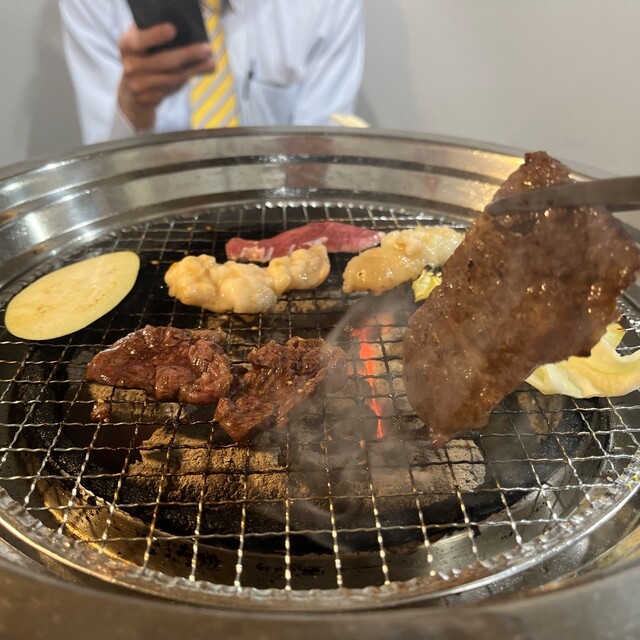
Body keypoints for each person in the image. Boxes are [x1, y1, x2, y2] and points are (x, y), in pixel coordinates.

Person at [58, 0, 365, 145]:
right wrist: (132, 107)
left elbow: (322, 154)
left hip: (281, 214)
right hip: (151, 217)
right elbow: (103, 169)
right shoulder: (95, 4)